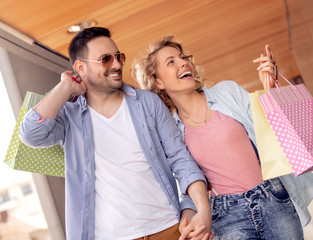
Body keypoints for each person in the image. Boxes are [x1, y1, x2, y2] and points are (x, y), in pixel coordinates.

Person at [19, 27, 213, 240]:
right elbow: (31, 134)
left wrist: (202, 211)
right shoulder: (69, 116)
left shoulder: (147, 102)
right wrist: (64, 88)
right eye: (105, 59)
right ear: (80, 67)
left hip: (169, 228)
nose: (117, 64)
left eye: (118, 56)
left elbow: (180, 159)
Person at [133, 35, 313, 240]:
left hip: (273, 198)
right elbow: (187, 188)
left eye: (182, 57)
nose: (183, 63)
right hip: (227, 216)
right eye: (171, 62)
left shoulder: (228, 91)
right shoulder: (172, 131)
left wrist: (268, 89)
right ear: (158, 81)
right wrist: (191, 219)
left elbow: (269, 133)